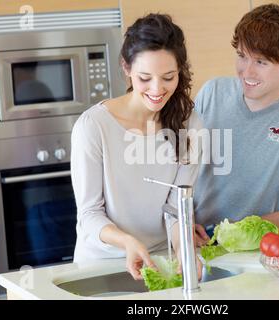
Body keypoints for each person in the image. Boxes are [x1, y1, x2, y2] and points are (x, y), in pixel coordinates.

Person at [71, 14, 203, 280]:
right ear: (126, 68)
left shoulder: (190, 124)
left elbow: (176, 209)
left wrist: (183, 251)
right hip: (101, 266)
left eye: (168, 77)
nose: (157, 89)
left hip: (160, 263)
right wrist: (127, 241)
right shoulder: (94, 126)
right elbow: (89, 214)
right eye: (145, 78)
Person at [192, 4, 279, 242]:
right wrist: (183, 224)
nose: (247, 72)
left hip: (255, 253)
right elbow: (181, 168)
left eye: (261, 62)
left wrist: (226, 233)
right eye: (242, 57)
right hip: (194, 243)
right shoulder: (212, 93)